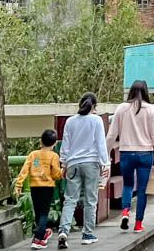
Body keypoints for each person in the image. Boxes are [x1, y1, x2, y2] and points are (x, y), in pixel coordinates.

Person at [106, 80, 154, 233]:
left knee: (127, 185)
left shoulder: (122, 108)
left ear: (131, 91)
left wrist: (105, 153)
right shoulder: (151, 110)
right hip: (145, 153)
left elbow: (112, 134)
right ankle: (138, 223)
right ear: (145, 91)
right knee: (141, 189)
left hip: (126, 153)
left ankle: (125, 211)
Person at [58, 92, 109, 248]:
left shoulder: (70, 121)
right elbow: (101, 143)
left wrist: (63, 164)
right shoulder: (96, 120)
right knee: (90, 200)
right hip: (91, 163)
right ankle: (87, 234)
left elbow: (65, 144)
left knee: (70, 200)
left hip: (73, 163)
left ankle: (64, 230)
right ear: (94, 106)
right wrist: (105, 163)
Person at [15, 129, 62, 249]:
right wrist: (61, 174)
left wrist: (19, 184)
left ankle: (41, 235)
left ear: (41, 141)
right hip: (47, 187)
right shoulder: (54, 156)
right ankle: (38, 237)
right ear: (55, 143)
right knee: (44, 213)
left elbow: (24, 170)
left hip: (34, 186)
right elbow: (56, 174)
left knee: (37, 211)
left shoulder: (33, 154)